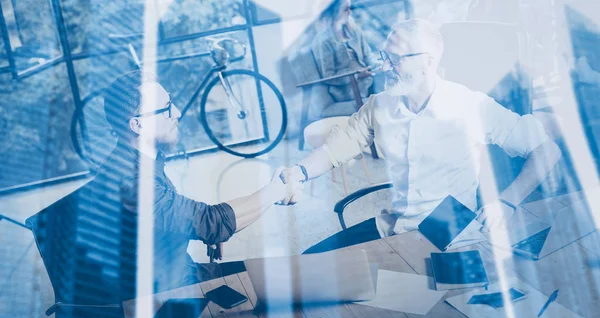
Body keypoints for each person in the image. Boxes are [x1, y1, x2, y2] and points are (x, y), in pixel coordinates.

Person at [281, 19, 562, 254]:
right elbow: (334, 151)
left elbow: (546, 151)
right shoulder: (380, 105)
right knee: (310, 260)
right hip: (394, 226)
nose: (385, 67)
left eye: (394, 60)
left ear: (427, 62)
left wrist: (507, 202)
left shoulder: (469, 105)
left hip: (450, 231)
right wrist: (299, 173)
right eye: (384, 58)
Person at [97, 70, 300, 293]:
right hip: (166, 294)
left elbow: (167, 218)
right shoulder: (133, 182)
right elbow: (212, 222)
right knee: (284, 284)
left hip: (173, 270)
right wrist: (276, 191)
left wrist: (200, 229)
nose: (177, 113)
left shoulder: (138, 161)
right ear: (137, 125)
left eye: (171, 103)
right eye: (165, 110)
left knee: (277, 273)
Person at [312, 0, 380, 103]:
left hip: (368, 81)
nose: (350, 12)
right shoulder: (323, 41)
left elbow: (367, 55)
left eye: (350, 8)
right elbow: (329, 76)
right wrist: (357, 75)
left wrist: (378, 66)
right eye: (345, 9)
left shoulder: (354, 31)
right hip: (347, 91)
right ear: (334, 12)